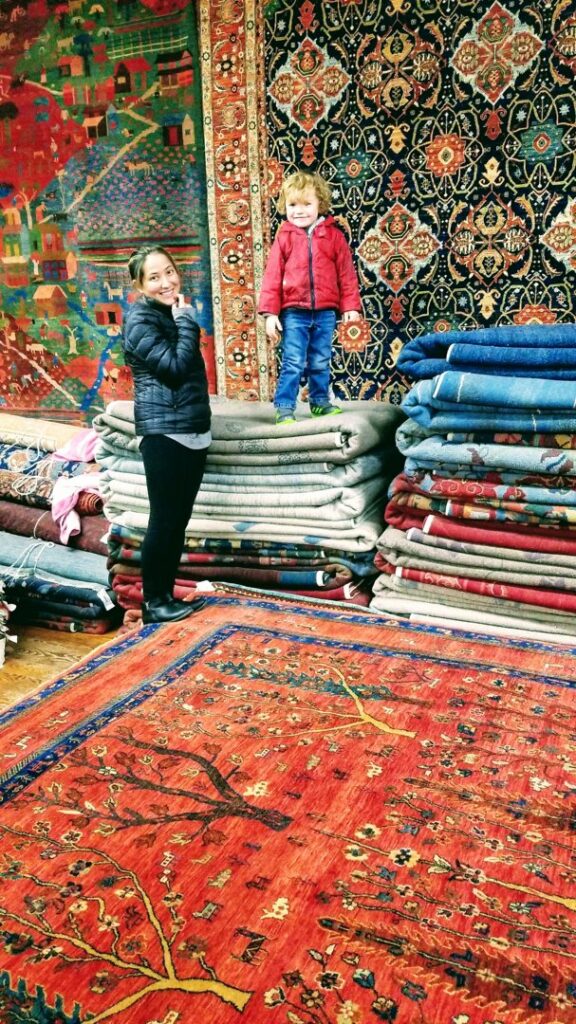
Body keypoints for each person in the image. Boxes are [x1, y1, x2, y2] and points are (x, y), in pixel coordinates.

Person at [122, 245, 211, 623]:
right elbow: (174, 367)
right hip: (164, 432)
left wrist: (181, 320)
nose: (166, 282)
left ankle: (164, 596)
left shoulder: (170, 314)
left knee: (178, 519)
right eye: (154, 277)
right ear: (140, 284)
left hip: (191, 427)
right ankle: (154, 601)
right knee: (164, 518)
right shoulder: (142, 321)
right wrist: (188, 321)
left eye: (169, 272)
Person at [258, 170, 362, 424]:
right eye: (293, 205)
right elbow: (272, 277)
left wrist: (350, 307)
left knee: (320, 359)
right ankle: (284, 407)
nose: (299, 211)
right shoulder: (284, 237)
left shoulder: (334, 236)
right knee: (293, 360)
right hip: (293, 311)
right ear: (285, 206)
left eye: (307, 204)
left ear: (320, 205)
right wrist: (270, 314)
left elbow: (346, 274)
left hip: (326, 311)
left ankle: (319, 402)